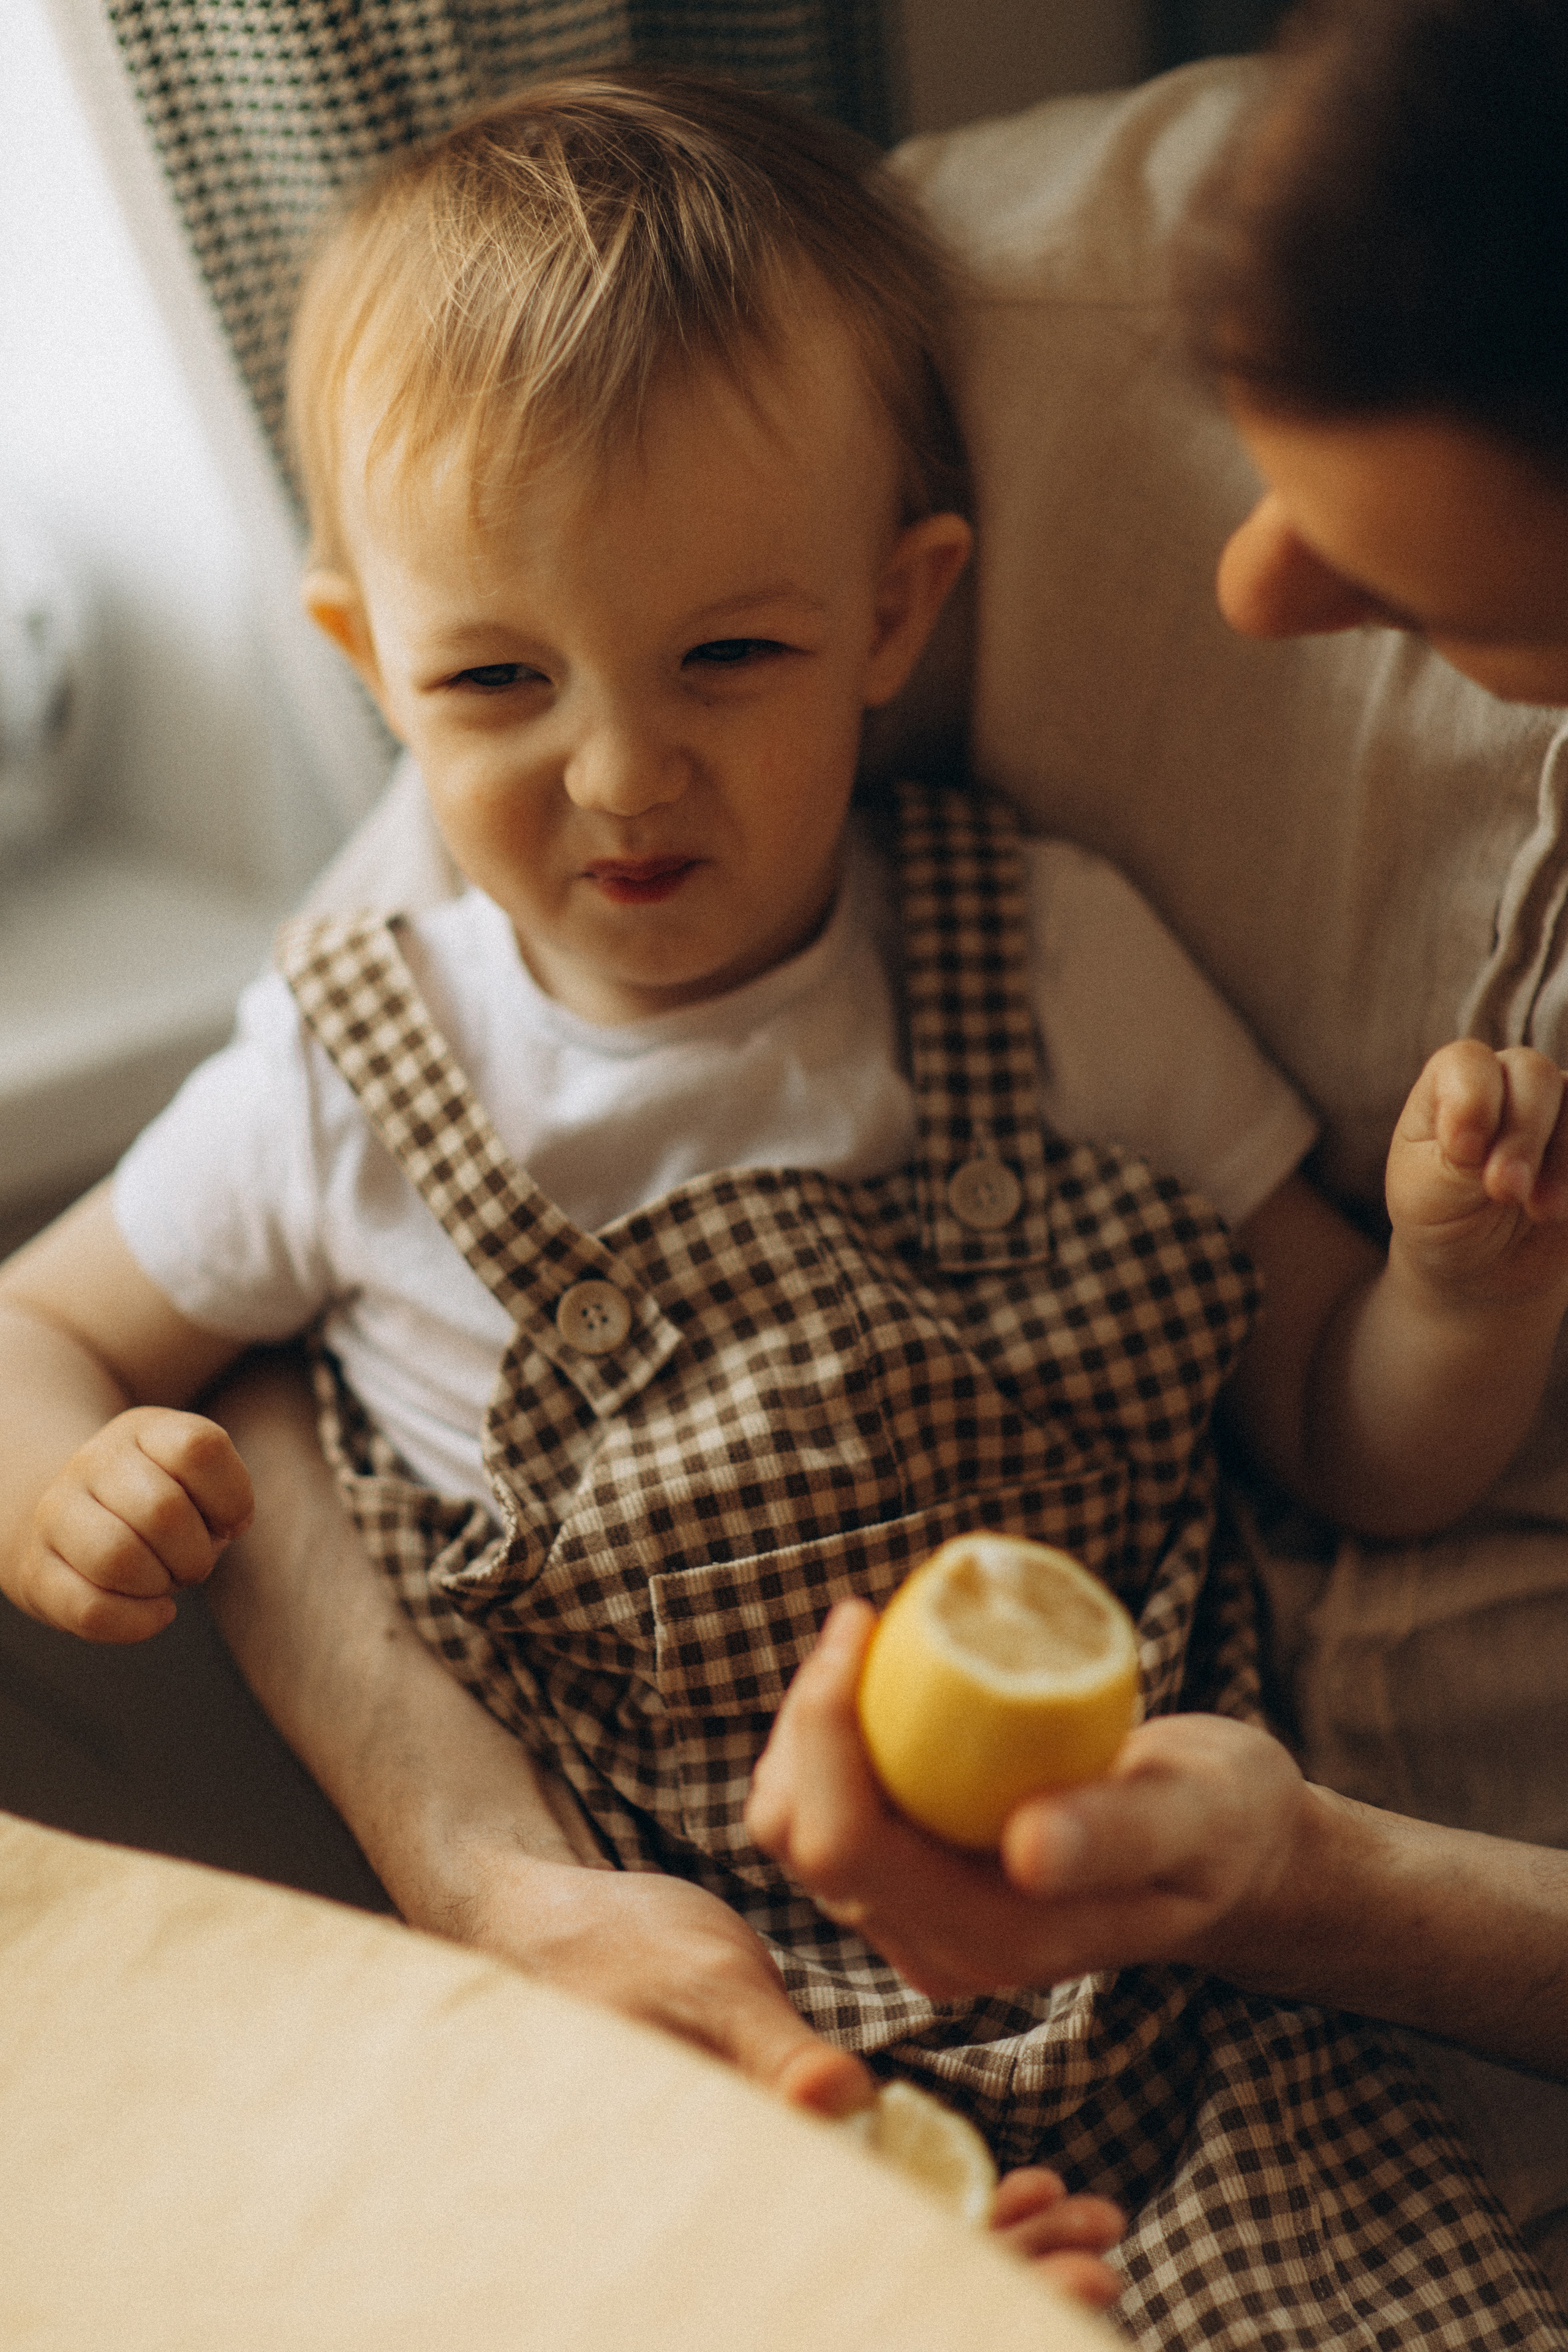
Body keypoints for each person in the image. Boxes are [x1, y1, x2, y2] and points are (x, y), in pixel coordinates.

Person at [0, 62, 1562, 2343]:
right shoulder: (351, 1069)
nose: (622, 772)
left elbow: (1355, 1436)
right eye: (497, 681)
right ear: (367, 663)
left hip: (1207, 2002)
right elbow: (33, 1329)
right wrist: (80, 1481)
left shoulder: (1047, 950)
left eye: (728, 654)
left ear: (898, 611)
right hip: (687, 2011)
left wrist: (1457, 1278)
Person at [746, 0, 1568, 2233]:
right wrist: (501, 1878)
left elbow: (1353, 1411)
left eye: (1424, 593)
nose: (1252, 598)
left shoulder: (1062, 967)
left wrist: (1312, 1889)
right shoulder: (994, 296)